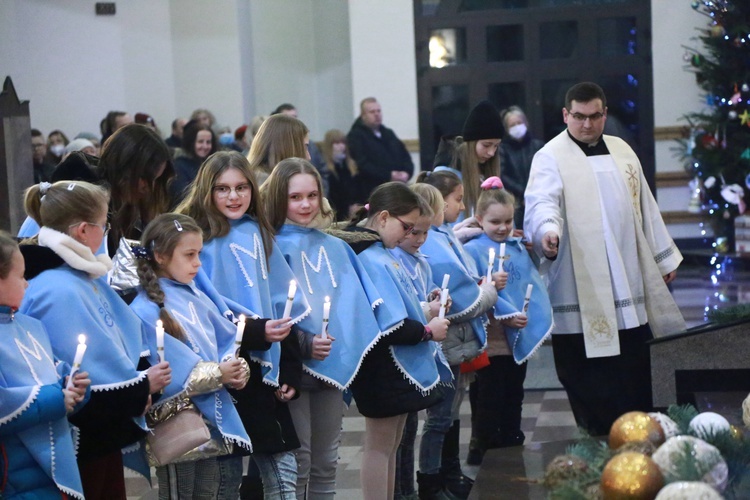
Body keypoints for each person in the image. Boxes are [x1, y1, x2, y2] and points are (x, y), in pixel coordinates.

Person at [524, 82, 686, 436]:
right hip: (580, 283)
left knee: (632, 358)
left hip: (626, 271)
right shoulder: (551, 156)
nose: (586, 124)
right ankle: (597, 431)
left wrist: (662, 261)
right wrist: (547, 231)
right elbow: (541, 203)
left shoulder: (622, 151)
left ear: (604, 114)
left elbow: (646, 207)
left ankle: (639, 428)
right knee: (587, 368)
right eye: (578, 116)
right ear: (566, 114)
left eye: (593, 116)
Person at [19, 180, 172, 499]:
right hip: (81, 438)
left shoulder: (78, 276)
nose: (105, 234)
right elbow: (83, 368)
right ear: (83, 231)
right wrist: (141, 387)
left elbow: (117, 338)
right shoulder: (56, 287)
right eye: (104, 226)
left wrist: (140, 383)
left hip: (101, 437)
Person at [175, 151, 306, 499]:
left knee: (282, 469)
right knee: (224, 476)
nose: (233, 197)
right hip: (222, 368)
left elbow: (282, 306)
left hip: (264, 371)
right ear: (207, 190)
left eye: (241, 187)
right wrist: (255, 331)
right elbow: (201, 311)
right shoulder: (195, 240)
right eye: (222, 189)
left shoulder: (258, 232)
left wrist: (289, 369)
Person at [262, 158, 390, 499]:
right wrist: (304, 343)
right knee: (299, 461)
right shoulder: (270, 245)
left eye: (312, 195)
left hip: (332, 366)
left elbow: (353, 308)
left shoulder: (335, 246)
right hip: (292, 370)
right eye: (295, 197)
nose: (305, 204)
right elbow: (269, 312)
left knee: (326, 462)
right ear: (279, 199)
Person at [337, 182, 450, 500]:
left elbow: (404, 305)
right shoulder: (370, 256)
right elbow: (388, 323)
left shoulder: (382, 253)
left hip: (393, 362)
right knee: (379, 447)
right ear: (383, 217)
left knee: (393, 444)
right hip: (381, 363)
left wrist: (426, 309)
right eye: (406, 227)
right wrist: (427, 331)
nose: (408, 236)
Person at [130, 214, 252, 499]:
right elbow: (171, 377)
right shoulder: (145, 309)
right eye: (189, 255)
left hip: (209, 418)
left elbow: (226, 343)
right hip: (176, 423)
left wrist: (237, 369)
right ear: (160, 255)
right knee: (180, 494)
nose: (198, 262)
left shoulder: (194, 295)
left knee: (206, 494)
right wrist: (220, 374)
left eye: (199, 253)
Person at [414, 171, 497, 499]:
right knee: (439, 418)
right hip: (446, 339)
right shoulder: (432, 239)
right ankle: (431, 480)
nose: (461, 206)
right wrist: (488, 292)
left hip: (455, 339)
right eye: (458, 199)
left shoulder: (444, 232)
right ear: (436, 203)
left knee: (449, 414)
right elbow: (461, 295)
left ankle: (449, 471)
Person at [462, 177, 552, 465]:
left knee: (514, 391)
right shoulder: (473, 249)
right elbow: (467, 290)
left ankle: (512, 438)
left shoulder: (516, 246)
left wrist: (521, 313)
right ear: (479, 220)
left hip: (515, 338)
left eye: (508, 221)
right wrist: (486, 283)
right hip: (488, 339)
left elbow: (527, 281)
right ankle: (483, 444)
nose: (502, 228)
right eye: (494, 222)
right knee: (487, 395)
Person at [0, 231, 90, 499]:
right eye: (21, 275)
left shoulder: (30, 326)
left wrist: (74, 387)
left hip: (48, 471)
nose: (27, 284)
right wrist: (57, 398)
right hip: (12, 478)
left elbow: (51, 371)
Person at [387, 187, 445, 500]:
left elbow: (421, 293)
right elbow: (400, 309)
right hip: (400, 354)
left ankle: (407, 490)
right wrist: (426, 309)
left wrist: (432, 296)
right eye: (413, 232)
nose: (420, 239)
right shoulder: (391, 258)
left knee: (408, 433)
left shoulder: (419, 260)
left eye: (425, 233)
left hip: (419, 345)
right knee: (396, 439)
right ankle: (402, 493)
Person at [98, 123, 174, 258]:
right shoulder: (92, 206)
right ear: (124, 169)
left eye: (157, 180)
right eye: (146, 178)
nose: (148, 188)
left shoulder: (139, 205)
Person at [347, 97, 414, 201]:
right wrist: (389, 175)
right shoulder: (356, 136)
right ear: (363, 115)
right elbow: (363, 164)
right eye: (372, 112)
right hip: (372, 191)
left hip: (397, 187)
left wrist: (406, 172)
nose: (377, 114)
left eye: (378, 111)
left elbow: (405, 155)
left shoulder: (388, 133)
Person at [452, 101, 504, 220]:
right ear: (471, 143)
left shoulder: (489, 174)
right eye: (486, 145)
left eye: (496, 146)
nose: (491, 153)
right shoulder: (448, 176)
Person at [498, 106, 544, 228]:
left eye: (519, 123)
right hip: (516, 203)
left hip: (538, 199)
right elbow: (502, 175)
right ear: (507, 129)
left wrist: (533, 194)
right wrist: (523, 194)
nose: (517, 127)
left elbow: (544, 172)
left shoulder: (538, 146)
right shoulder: (503, 150)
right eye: (512, 125)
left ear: (526, 123)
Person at [247, 113, 310, 186]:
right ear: (287, 148)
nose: (308, 157)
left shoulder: (252, 177)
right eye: (304, 147)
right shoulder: (267, 183)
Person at [170, 120, 218, 205]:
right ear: (191, 142)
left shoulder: (212, 164)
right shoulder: (179, 166)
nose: (205, 146)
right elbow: (183, 197)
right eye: (200, 142)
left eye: (208, 142)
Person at [320, 129, 361, 220]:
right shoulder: (326, 170)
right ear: (329, 146)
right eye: (337, 143)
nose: (341, 146)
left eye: (343, 143)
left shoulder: (350, 166)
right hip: (336, 214)